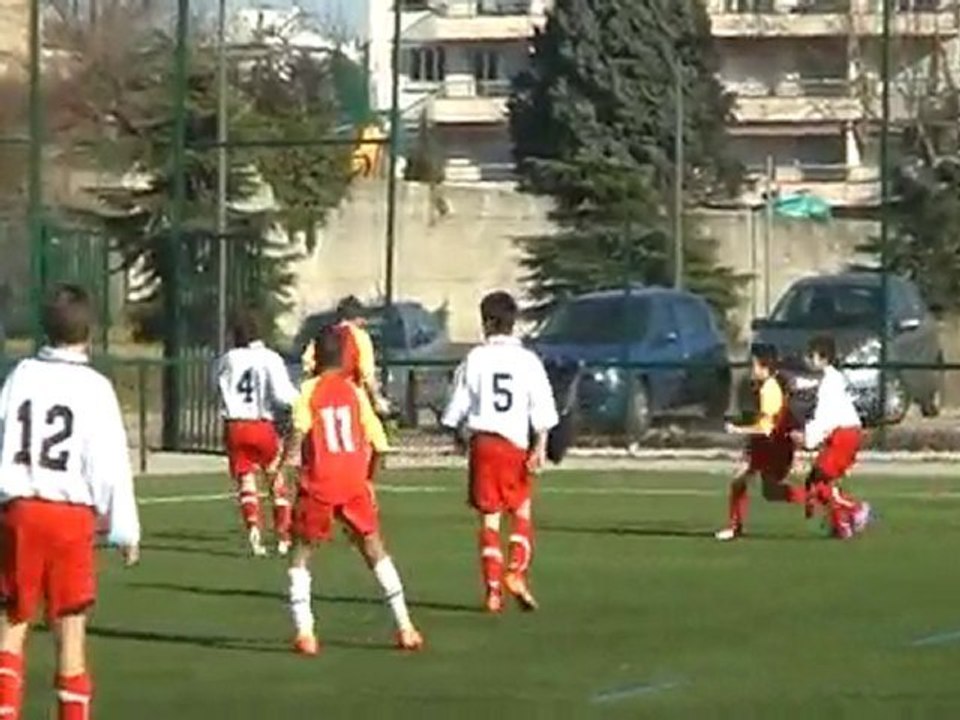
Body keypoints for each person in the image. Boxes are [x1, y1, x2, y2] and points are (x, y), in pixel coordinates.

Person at [0, 284, 140, 720]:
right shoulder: (95, 388)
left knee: (11, 625)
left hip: (19, 511)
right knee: (71, 635)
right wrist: (125, 527)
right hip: (70, 519)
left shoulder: (21, 375)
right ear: (89, 332)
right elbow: (110, 462)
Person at [284, 327, 423, 655]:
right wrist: (368, 479)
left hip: (319, 481)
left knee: (301, 555)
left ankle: (306, 634)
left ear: (316, 356)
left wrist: (284, 467)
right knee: (375, 550)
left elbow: (299, 432)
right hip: (353, 482)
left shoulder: (308, 391)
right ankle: (406, 627)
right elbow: (379, 443)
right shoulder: (354, 392)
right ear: (346, 358)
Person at [441, 291, 558, 614]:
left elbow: (458, 403)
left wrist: (454, 430)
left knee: (489, 520)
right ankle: (516, 572)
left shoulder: (475, 358)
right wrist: (540, 445)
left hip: (483, 443)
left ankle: (493, 591)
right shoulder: (528, 360)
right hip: (514, 444)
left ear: (487, 322)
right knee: (521, 510)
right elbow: (542, 406)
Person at [215, 306, 299, 557]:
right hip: (261, 424)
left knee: (246, 480)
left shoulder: (228, 358)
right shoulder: (270, 358)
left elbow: (216, 385)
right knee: (275, 476)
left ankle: (254, 528)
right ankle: (283, 535)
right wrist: (302, 403)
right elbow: (284, 395)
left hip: (235, 426)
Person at [716, 345, 806, 541]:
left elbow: (766, 429)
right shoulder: (763, 386)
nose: (750, 369)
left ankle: (734, 527)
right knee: (769, 491)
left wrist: (738, 430)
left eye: (753, 365)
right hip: (766, 444)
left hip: (774, 445)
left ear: (764, 367)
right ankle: (815, 498)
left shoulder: (770, 390)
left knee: (743, 481)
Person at [791, 335, 871, 539]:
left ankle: (855, 509)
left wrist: (808, 439)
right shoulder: (830, 379)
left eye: (811, 356)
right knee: (816, 481)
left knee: (820, 483)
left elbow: (824, 418)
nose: (807, 360)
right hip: (844, 434)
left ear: (823, 358)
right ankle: (841, 525)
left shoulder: (828, 384)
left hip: (844, 435)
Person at [335, 296, 390, 417]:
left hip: (323, 399)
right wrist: (378, 400)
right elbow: (367, 375)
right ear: (357, 317)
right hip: (351, 399)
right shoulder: (360, 337)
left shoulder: (323, 337)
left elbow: (308, 367)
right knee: (375, 435)